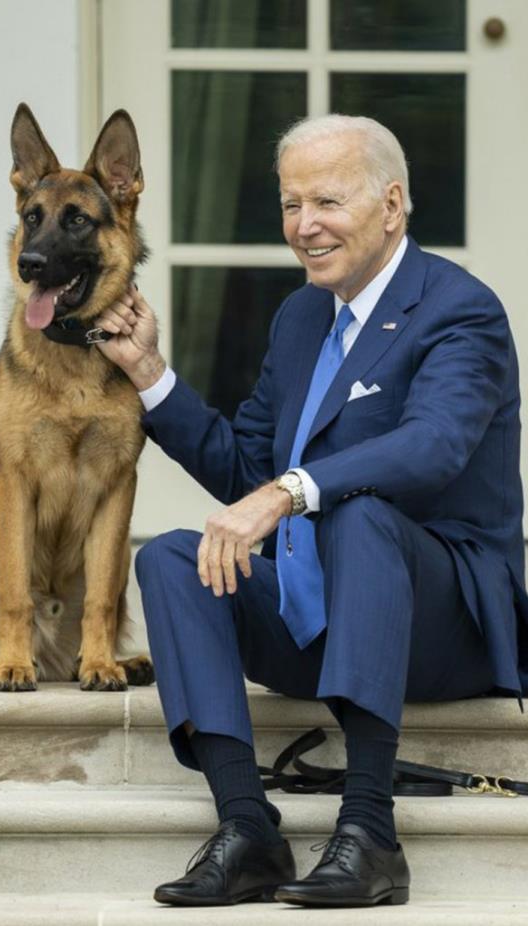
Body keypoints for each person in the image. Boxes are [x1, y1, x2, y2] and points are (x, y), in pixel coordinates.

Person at [95, 114, 528, 908]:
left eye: (327, 201)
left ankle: (369, 832)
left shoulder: (461, 311)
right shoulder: (300, 318)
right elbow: (248, 468)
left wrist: (288, 494)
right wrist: (150, 373)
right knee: (169, 559)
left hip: (442, 624)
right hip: (325, 615)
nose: (304, 226)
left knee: (357, 515)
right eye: (291, 204)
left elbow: (431, 446)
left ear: (392, 205)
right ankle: (248, 830)